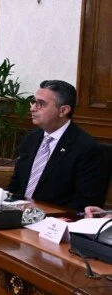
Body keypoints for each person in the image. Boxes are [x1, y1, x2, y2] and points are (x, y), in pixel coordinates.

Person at [7, 80, 106, 211]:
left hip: (55, 219)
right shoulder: (31, 138)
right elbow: (16, 185)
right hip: (17, 214)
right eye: (34, 102)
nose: (32, 108)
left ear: (63, 110)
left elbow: (86, 203)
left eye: (40, 104)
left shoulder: (87, 149)